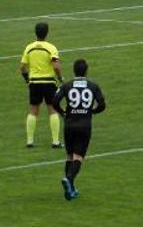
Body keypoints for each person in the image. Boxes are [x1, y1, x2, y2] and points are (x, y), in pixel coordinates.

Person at [53, 59, 106, 200]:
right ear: (86, 71)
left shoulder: (67, 85)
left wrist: (63, 112)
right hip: (84, 125)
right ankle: (68, 179)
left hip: (69, 124)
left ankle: (70, 190)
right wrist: (92, 111)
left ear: (74, 70)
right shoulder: (93, 86)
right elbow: (102, 104)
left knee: (70, 156)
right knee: (79, 157)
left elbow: (55, 101)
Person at [20, 22, 64, 148]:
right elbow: (56, 66)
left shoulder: (29, 47)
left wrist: (27, 80)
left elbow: (22, 67)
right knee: (52, 110)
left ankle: (30, 141)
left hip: (34, 82)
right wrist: (60, 78)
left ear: (35, 32)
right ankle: (55, 142)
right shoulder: (51, 47)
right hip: (49, 82)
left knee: (33, 110)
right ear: (47, 32)